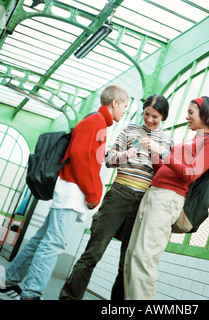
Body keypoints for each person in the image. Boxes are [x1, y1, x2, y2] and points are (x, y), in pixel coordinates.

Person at [0, 85, 129, 300]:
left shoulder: (98, 123)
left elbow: (89, 160)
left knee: (41, 239)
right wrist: (92, 193)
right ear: (114, 103)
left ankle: (10, 278)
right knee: (53, 243)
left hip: (69, 191)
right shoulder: (96, 121)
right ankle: (31, 293)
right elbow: (80, 158)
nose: (124, 111)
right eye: (124, 106)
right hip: (71, 193)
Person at [59, 94, 173, 300]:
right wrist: (124, 155)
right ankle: (69, 297)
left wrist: (159, 154)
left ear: (163, 117)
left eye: (155, 116)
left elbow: (168, 172)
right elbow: (108, 160)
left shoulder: (168, 140)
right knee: (93, 252)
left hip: (143, 202)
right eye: (146, 114)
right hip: (119, 194)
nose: (149, 119)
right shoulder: (129, 129)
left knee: (126, 263)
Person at [124, 96, 209, 300]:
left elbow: (191, 174)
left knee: (144, 259)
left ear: (205, 113)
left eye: (191, 112)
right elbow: (164, 169)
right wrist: (153, 152)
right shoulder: (192, 139)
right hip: (153, 193)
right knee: (131, 257)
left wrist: (161, 151)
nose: (187, 116)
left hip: (168, 199)